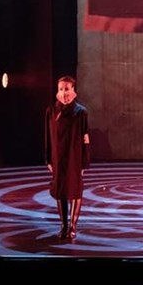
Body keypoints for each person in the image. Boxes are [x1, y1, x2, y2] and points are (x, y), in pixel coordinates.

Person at [44, 76, 89, 239]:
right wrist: (48, 159)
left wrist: (84, 162)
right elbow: (47, 136)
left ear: (73, 90)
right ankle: (63, 226)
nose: (64, 93)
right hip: (57, 157)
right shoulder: (51, 111)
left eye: (67, 89)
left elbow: (85, 138)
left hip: (74, 157)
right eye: (61, 89)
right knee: (61, 190)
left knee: (74, 190)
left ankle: (72, 226)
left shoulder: (80, 112)